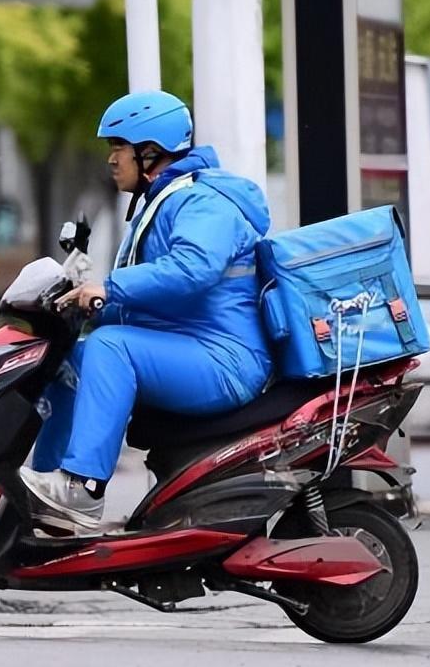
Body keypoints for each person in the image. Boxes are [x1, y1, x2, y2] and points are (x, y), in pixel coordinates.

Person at [19, 90, 273, 535]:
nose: (112, 160)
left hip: (225, 360)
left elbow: (193, 269)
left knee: (111, 348)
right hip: (191, 347)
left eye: (119, 148)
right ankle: (47, 493)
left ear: (150, 151)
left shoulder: (202, 202)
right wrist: (85, 303)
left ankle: (82, 487)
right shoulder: (165, 201)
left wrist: (108, 288)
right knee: (68, 363)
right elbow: (156, 301)